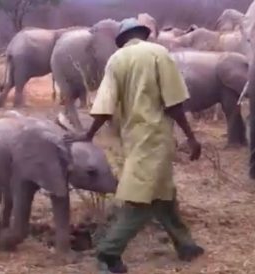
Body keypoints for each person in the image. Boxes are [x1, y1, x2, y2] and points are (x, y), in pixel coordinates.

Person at [64, 18, 205, 273]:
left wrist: (88, 134)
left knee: (162, 193)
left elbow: (104, 107)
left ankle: (185, 245)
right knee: (141, 200)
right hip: (155, 138)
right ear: (144, 33)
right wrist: (191, 137)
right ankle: (109, 252)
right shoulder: (159, 54)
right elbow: (173, 103)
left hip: (133, 138)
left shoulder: (116, 60)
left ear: (122, 39)